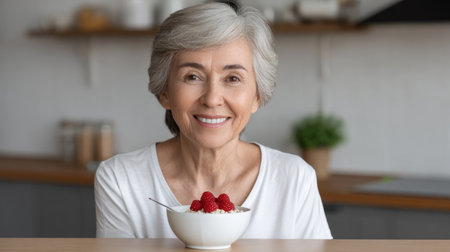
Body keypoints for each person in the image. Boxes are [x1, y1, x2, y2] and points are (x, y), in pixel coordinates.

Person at [94, 2, 332, 239]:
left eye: (233, 78)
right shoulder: (120, 180)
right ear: (164, 92)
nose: (212, 98)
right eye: (193, 76)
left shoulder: (295, 179)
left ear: (257, 96)